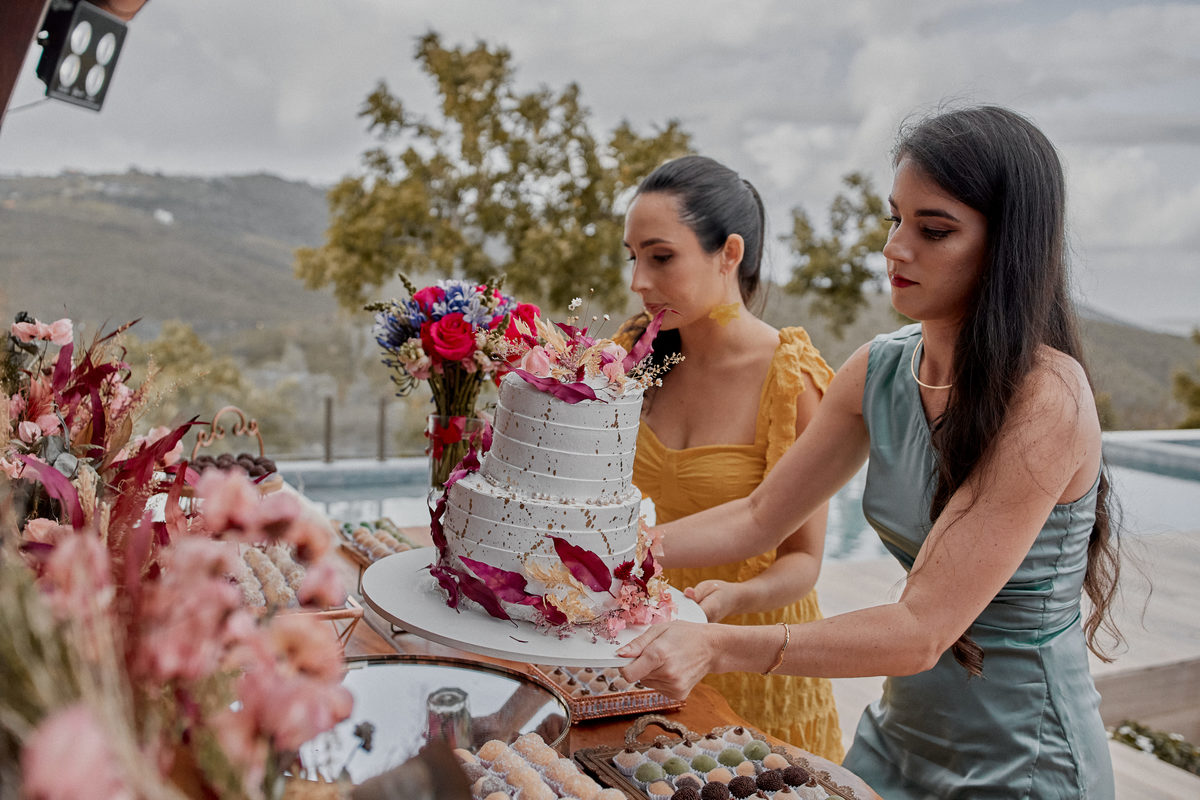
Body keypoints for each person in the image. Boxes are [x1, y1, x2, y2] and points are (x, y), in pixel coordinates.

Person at [618, 107, 1122, 799]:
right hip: (900, 734)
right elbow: (759, 517)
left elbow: (921, 629)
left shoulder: (1046, 398)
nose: (895, 248)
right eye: (895, 219)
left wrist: (719, 646)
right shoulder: (878, 369)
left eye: (933, 230)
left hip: (1023, 758)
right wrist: (604, 549)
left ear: (1008, 245)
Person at [615, 154, 843, 761]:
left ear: (729, 253)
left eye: (661, 257)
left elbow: (804, 560)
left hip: (755, 667)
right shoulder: (631, 358)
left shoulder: (791, 382)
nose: (638, 281)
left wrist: (737, 600)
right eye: (633, 257)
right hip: (638, 653)